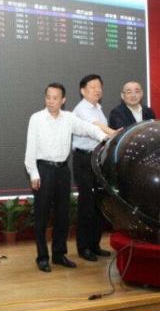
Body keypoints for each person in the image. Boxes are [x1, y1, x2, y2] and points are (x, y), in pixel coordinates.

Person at [25, 83, 117, 273]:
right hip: (43, 170)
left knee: (63, 215)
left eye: (55, 98)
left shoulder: (69, 118)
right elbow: (30, 148)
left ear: (63, 100)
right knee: (42, 216)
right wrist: (33, 172)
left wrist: (105, 137)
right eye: (48, 97)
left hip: (62, 171)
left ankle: (59, 255)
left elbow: (88, 128)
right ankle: (42, 257)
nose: (51, 101)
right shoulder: (36, 118)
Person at [71, 74, 112, 262]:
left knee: (97, 204)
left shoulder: (98, 109)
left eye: (99, 87)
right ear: (83, 91)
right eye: (92, 87)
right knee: (86, 204)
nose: (97, 90)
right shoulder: (81, 109)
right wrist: (112, 132)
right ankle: (84, 247)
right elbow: (95, 127)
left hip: (97, 159)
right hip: (84, 159)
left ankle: (95, 245)